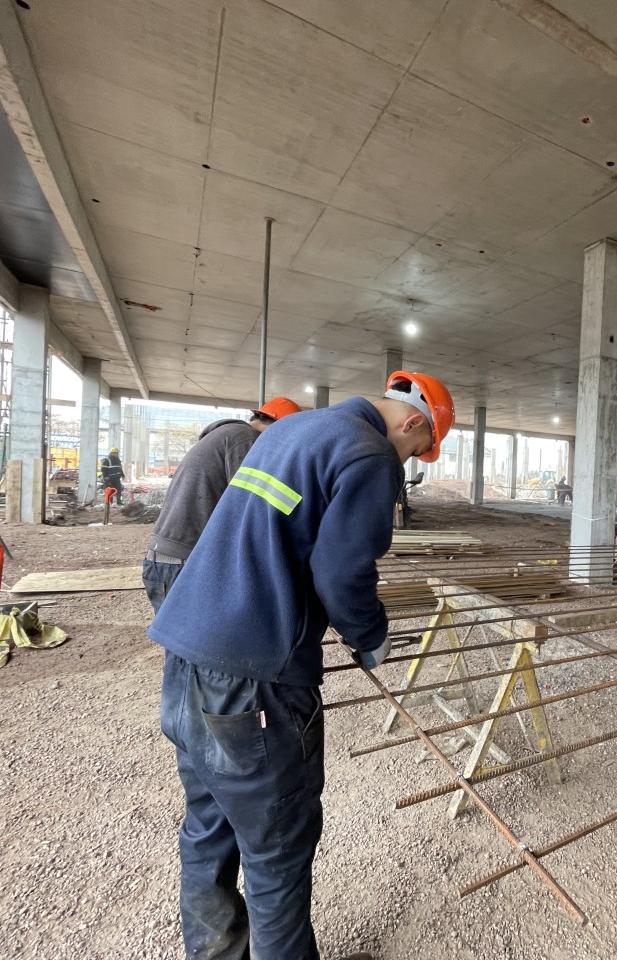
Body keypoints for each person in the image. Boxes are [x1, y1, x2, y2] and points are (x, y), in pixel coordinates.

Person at [148, 370, 453, 960]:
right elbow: (342, 572)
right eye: (417, 451)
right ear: (412, 423)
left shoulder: (292, 431)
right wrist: (371, 636)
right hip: (253, 677)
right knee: (278, 850)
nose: (410, 463)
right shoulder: (368, 454)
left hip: (187, 654)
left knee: (208, 830)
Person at [142, 397, 302, 612]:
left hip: (168, 558)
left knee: (186, 643)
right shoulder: (246, 439)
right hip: (185, 563)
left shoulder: (223, 437)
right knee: (196, 643)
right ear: (279, 427)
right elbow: (257, 502)